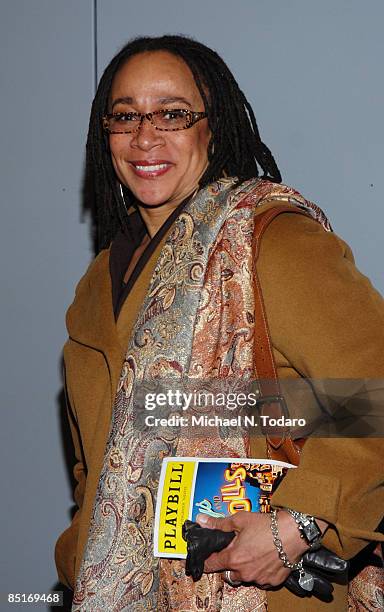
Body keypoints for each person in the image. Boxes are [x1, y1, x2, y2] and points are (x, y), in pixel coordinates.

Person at [55, 35, 384, 611]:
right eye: (125, 116)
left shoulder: (273, 242)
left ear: (213, 127)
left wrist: (298, 524)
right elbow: (96, 459)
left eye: (173, 114)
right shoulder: (100, 279)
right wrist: (77, 553)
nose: (145, 136)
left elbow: (373, 395)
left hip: (263, 592)